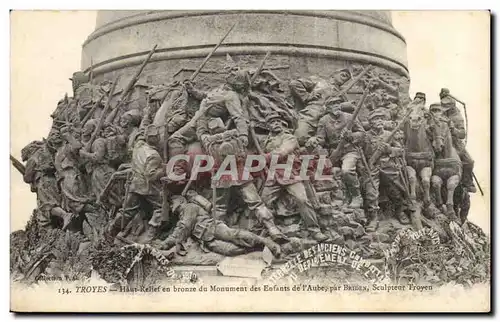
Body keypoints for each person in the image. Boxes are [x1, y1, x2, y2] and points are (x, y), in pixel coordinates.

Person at [261, 112, 330, 242]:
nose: (275, 124)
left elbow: (283, 152)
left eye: (277, 121)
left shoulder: (290, 138)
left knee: (302, 199)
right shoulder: (266, 142)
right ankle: (268, 229)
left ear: (282, 124)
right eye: (272, 122)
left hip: (290, 173)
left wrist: (264, 158)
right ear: (268, 126)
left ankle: (315, 230)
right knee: (263, 202)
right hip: (273, 176)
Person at [157, 194, 281, 257]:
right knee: (228, 250)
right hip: (206, 240)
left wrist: (167, 243)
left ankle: (268, 243)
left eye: (172, 203)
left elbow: (184, 226)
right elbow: (182, 227)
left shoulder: (189, 207)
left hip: (213, 228)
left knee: (235, 235)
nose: (172, 206)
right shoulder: (183, 213)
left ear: (181, 201)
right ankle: (257, 249)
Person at [108, 106, 165, 243]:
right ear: (157, 140)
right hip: (147, 186)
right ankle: (151, 233)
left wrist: (146, 115)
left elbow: (142, 129)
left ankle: (111, 231)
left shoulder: (139, 144)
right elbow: (150, 176)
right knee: (161, 207)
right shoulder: (154, 155)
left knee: (126, 211)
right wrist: (163, 170)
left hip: (134, 184)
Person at [307, 97, 365, 209]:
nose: (336, 106)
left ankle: (356, 196)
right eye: (333, 104)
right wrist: (313, 140)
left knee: (347, 170)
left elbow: (362, 133)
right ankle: (337, 198)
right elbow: (321, 138)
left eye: (338, 103)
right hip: (333, 152)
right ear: (328, 108)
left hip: (349, 150)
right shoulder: (324, 120)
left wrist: (351, 136)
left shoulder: (350, 117)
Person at [289, 69, 352, 145]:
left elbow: (348, 113)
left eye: (347, 78)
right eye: (343, 74)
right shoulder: (319, 81)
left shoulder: (343, 94)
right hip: (311, 116)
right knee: (299, 137)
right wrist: (307, 96)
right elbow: (295, 84)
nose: (345, 78)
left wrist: (346, 105)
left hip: (328, 123)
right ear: (334, 74)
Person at [439, 88, 476, 193]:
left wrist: (453, 129)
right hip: (440, 141)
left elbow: (462, 134)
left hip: (455, 143)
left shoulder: (457, 116)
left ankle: (467, 182)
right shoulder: (438, 111)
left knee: (469, 161)